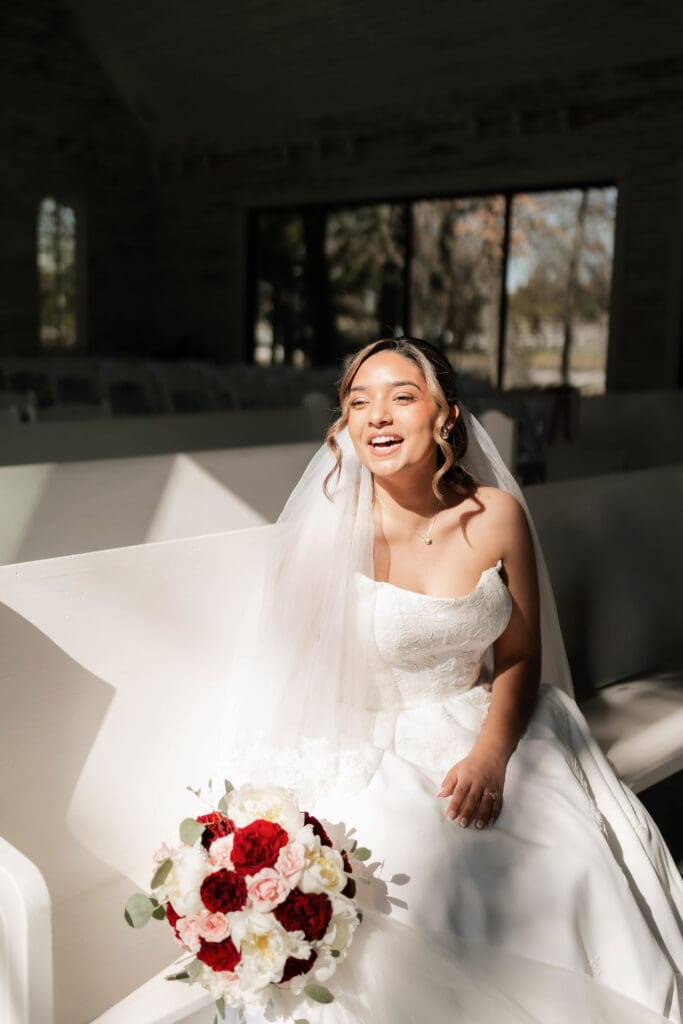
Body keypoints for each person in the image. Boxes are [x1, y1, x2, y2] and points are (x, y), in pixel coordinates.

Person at [93, 336, 682, 1024]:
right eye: (357, 402)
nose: (377, 415)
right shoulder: (321, 538)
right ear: (341, 426)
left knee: (560, 867)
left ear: (446, 416)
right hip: (363, 745)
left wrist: (490, 756)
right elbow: (291, 679)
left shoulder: (494, 517)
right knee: (407, 881)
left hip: (476, 722)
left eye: (402, 397)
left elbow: (519, 656)